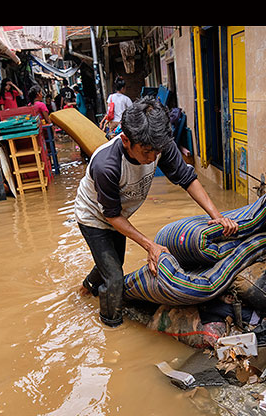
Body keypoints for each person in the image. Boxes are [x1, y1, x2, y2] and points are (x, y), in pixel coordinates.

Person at [75, 96, 238, 327]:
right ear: (126, 141)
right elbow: (110, 216)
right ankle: (111, 325)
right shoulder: (107, 166)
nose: (152, 158)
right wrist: (150, 245)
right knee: (115, 278)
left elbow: (187, 179)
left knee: (114, 261)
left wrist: (217, 216)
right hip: (94, 216)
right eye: (146, 152)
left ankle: (85, 288)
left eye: (157, 151)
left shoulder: (159, 145)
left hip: (119, 214)